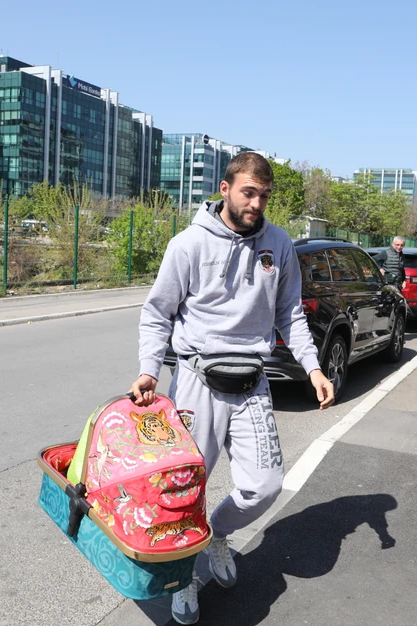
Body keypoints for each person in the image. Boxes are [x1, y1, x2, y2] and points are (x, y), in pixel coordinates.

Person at [129, 152, 335, 625]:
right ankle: (181, 581)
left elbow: (290, 314)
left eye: (264, 195)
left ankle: (215, 535)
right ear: (225, 189)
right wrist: (148, 370)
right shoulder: (187, 245)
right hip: (197, 382)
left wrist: (313, 369)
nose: (256, 203)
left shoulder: (278, 244)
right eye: (248, 192)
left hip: (253, 382)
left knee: (265, 485)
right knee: (180, 491)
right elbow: (157, 312)